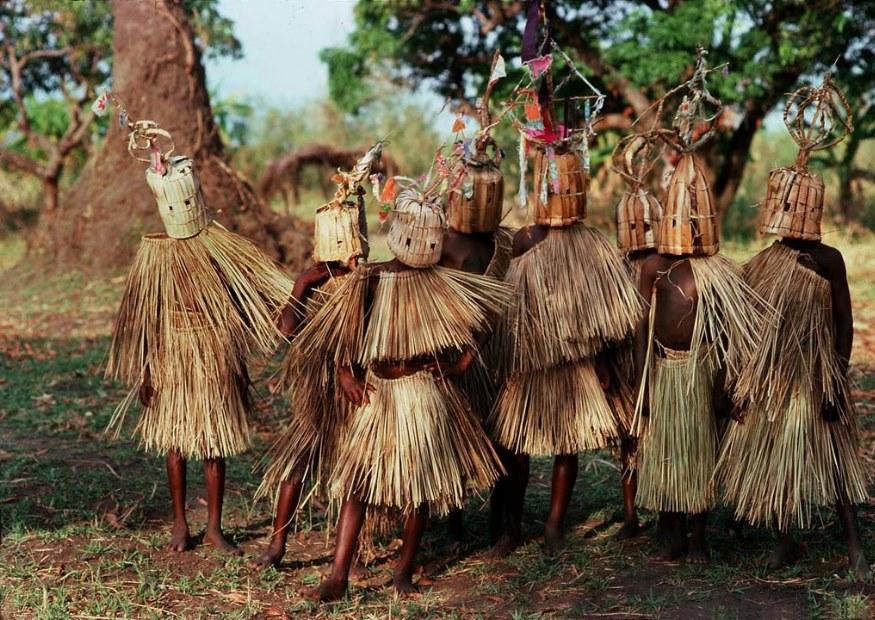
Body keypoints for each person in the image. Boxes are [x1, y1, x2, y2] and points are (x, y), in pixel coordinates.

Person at [314, 186, 510, 600]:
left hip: (423, 393)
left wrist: (461, 362)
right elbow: (342, 331)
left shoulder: (442, 282)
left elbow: (485, 318)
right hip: (379, 392)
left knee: (417, 489)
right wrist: (345, 372)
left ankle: (403, 571)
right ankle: (338, 575)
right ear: (400, 232)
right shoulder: (372, 278)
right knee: (358, 483)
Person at [106, 120, 290, 553]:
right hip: (173, 354)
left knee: (213, 442)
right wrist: (148, 372)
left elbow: (242, 309)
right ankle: (178, 524)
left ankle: (213, 527)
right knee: (174, 441)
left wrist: (237, 365)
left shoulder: (221, 248)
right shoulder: (156, 256)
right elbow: (148, 318)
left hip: (214, 353)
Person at [715, 76, 870, 579]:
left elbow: (843, 319)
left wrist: (837, 377)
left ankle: (853, 545)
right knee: (782, 460)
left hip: (818, 375)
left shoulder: (829, 260)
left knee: (836, 462)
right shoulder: (760, 263)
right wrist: (743, 381)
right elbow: (747, 330)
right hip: (777, 381)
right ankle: (786, 543)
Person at [631, 65, 766, 563]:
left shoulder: (720, 272)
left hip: (702, 371)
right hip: (664, 372)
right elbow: (643, 328)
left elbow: (731, 334)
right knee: (666, 452)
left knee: (700, 453)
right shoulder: (653, 266)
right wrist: (641, 382)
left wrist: (726, 381)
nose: (685, 221)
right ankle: (669, 535)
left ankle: (698, 538)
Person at [250, 145, 381, 569]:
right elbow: (286, 330)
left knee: (358, 474)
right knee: (297, 464)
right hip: (317, 394)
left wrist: (350, 370)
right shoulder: (314, 281)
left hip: (361, 391)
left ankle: (359, 549)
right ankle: (276, 545)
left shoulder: (372, 281)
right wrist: (304, 283)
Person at [607, 132, 664, 539]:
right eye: (634, 223)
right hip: (626, 363)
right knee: (629, 438)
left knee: (660, 436)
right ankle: (630, 514)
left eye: (649, 222)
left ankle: (664, 507)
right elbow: (605, 322)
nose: (641, 228)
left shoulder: (667, 266)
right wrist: (607, 364)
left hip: (662, 364)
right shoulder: (614, 267)